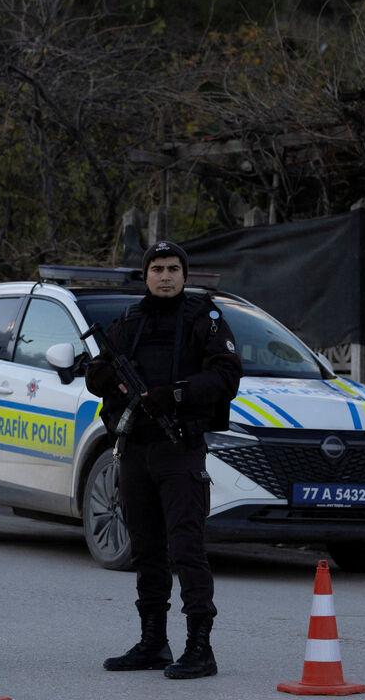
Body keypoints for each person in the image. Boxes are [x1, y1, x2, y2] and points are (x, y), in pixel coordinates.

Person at [85, 240, 242, 680]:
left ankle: (200, 647)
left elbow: (227, 374)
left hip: (180, 449)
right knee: (147, 551)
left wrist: (174, 395)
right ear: (147, 275)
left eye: (174, 268)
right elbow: (96, 373)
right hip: (135, 448)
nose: (166, 276)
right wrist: (106, 378)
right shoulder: (130, 321)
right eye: (157, 268)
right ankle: (153, 641)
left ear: (184, 275)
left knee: (187, 549)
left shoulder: (203, 318)